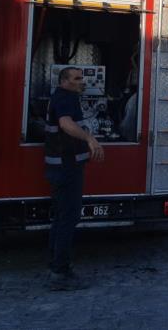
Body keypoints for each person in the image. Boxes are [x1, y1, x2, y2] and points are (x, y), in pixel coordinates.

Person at [44, 66, 104, 291]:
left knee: (60, 219)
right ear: (64, 81)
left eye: (83, 78)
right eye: (77, 78)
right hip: (66, 169)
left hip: (61, 168)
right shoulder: (66, 98)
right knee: (68, 219)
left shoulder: (61, 97)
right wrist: (90, 139)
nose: (82, 82)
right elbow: (65, 124)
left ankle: (55, 267)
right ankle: (60, 274)